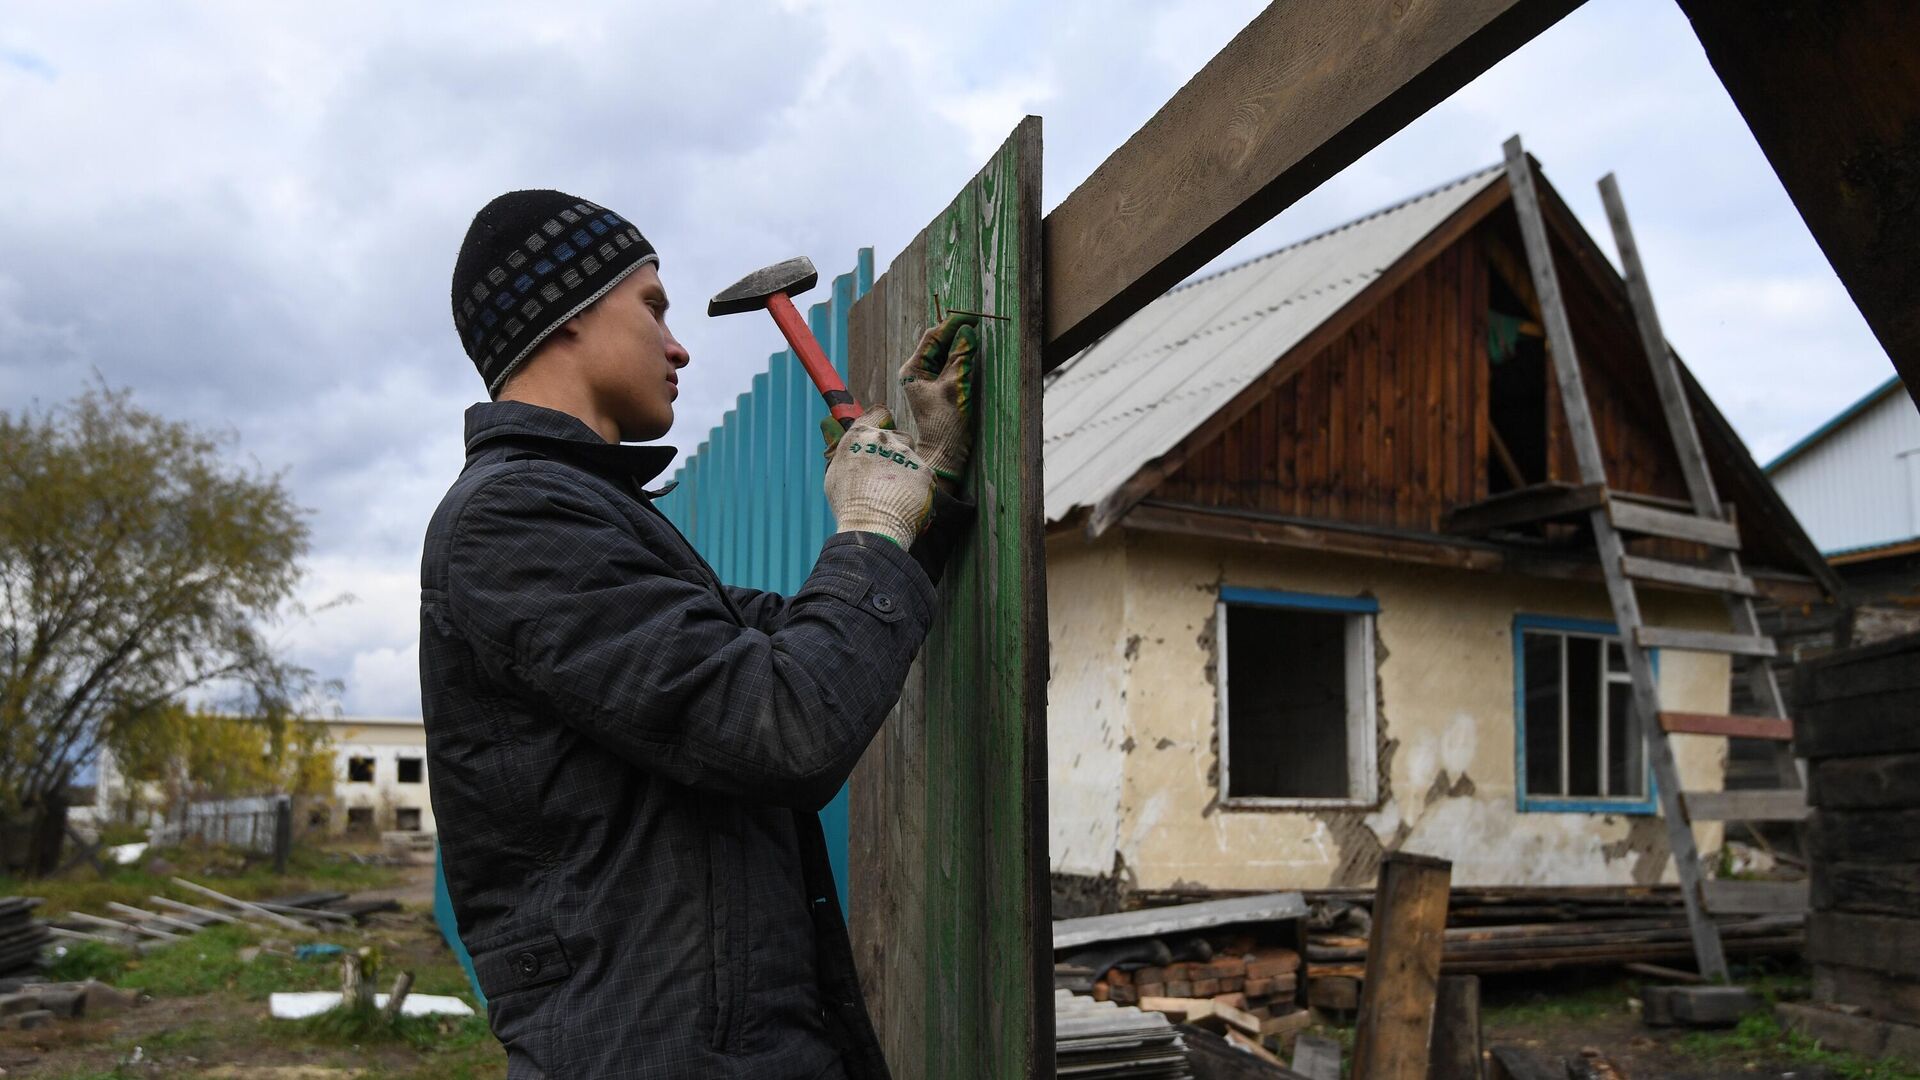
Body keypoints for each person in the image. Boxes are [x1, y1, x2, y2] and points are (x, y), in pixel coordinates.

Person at [422, 189, 978, 1078]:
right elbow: (786, 723)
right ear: (562, 318)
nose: (677, 345)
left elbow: (789, 644)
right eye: (652, 307)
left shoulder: (583, 515)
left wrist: (923, 502)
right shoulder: (514, 520)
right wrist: (870, 527)